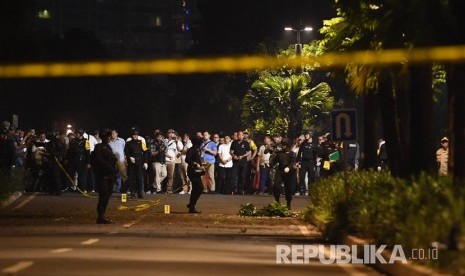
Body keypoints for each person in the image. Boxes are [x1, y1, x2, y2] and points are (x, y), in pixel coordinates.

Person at [92, 130, 117, 224]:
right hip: (102, 175)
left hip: (110, 174)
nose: (110, 138)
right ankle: (100, 216)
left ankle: (102, 215)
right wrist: (109, 167)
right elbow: (99, 160)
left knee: (107, 195)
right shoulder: (99, 147)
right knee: (104, 195)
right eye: (108, 136)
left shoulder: (108, 147)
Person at [271, 138, 296, 209]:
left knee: (288, 188)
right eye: (282, 144)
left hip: (289, 172)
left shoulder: (291, 153)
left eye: (284, 145)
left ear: (287, 145)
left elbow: (293, 162)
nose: (282, 146)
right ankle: (277, 201)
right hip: (280, 171)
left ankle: (288, 203)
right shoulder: (279, 153)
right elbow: (274, 161)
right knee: (276, 185)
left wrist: (289, 167)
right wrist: (270, 164)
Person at [124, 128, 148, 199]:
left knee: (139, 177)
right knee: (131, 177)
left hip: (139, 161)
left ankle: (140, 192)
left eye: (136, 135)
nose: (134, 136)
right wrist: (129, 157)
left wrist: (146, 162)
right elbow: (126, 152)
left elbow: (145, 152)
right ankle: (132, 192)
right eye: (133, 135)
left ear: (138, 135)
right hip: (131, 162)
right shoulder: (128, 143)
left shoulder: (141, 142)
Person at [186, 137, 204, 213]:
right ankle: (191, 205)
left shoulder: (197, 150)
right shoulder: (192, 150)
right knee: (199, 188)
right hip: (192, 171)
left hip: (197, 171)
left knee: (196, 189)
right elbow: (187, 159)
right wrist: (195, 163)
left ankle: (191, 205)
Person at [296, 131, 316, 196]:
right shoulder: (303, 144)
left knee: (311, 177)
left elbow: (318, 153)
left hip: (311, 162)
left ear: (311, 135)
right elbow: (299, 153)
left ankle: (312, 190)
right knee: (301, 176)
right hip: (304, 162)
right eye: (305, 134)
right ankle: (302, 190)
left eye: (307, 134)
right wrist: (297, 161)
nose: (306, 136)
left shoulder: (314, 144)